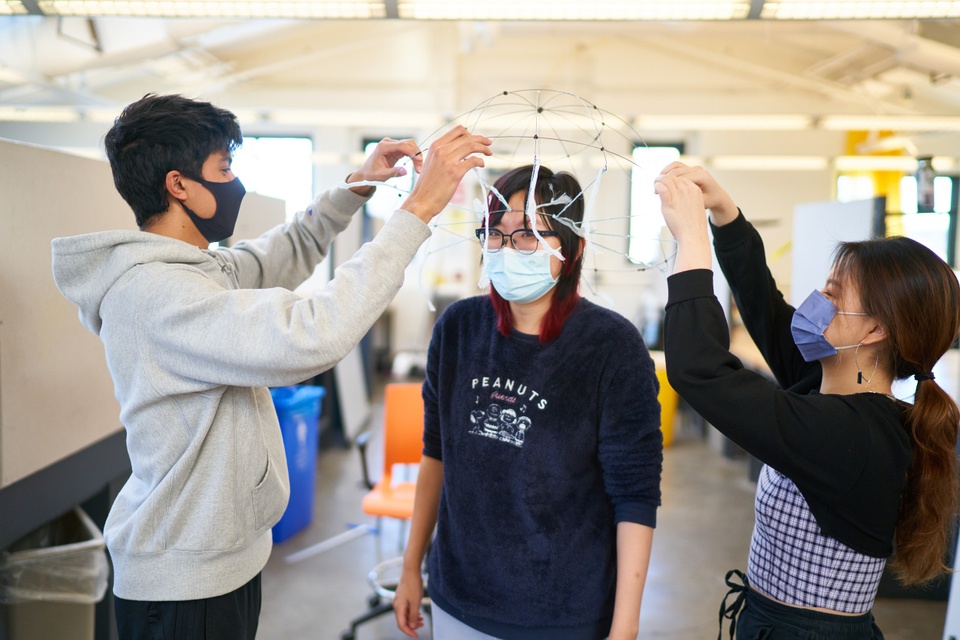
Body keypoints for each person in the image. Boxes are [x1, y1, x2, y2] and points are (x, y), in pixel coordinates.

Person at [50, 93, 491, 640]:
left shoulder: (195, 271)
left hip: (215, 562)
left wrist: (358, 184)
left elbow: (283, 251)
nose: (234, 182)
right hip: (185, 583)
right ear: (179, 184)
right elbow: (315, 333)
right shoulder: (159, 296)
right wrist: (416, 212)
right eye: (224, 167)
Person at [654, 162, 960, 639]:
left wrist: (690, 242)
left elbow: (701, 372)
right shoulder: (830, 389)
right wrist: (723, 212)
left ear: (876, 331)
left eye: (833, 295)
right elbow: (763, 304)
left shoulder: (850, 435)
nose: (816, 300)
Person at [393, 165, 663, 640]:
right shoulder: (457, 329)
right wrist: (412, 566)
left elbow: (635, 496)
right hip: (458, 598)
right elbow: (436, 454)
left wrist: (625, 627)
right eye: (495, 233)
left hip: (563, 612)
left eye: (528, 235)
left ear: (572, 248)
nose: (506, 248)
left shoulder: (612, 347)